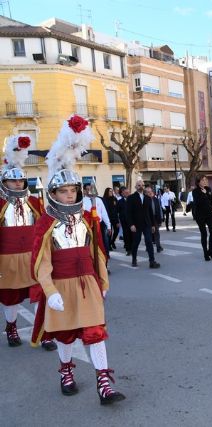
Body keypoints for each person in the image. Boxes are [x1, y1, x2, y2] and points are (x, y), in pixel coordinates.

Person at [31, 114, 125, 404]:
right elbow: (41, 261)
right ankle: (66, 371)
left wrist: (104, 281)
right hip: (60, 285)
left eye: (73, 190)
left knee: (96, 332)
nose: (70, 195)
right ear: (54, 192)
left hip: (87, 282)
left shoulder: (88, 218)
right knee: (66, 334)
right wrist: (50, 291)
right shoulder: (45, 222)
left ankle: (104, 383)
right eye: (64, 191)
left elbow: (97, 251)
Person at [0, 134, 56, 351]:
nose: (18, 183)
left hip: (33, 258)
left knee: (41, 295)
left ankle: (44, 333)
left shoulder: (34, 201)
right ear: (4, 182)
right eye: (13, 180)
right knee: (11, 298)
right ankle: (11, 327)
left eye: (21, 180)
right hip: (7, 260)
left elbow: (44, 227)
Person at [126, 179, 160, 269]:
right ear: (135, 187)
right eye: (139, 185)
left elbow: (150, 212)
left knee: (149, 242)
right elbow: (128, 213)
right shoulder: (131, 198)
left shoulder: (148, 198)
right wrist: (131, 224)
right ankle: (134, 259)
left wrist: (153, 224)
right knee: (136, 242)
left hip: (147, 224)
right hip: (136, 225)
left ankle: (152, 261)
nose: (141, 187)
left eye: (142, 185)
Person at [82, 183, 111, 259]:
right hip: (89, 226)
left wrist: (108, 226)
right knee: (91, 244)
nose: (89, 191)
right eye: (87, 190)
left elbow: (104, 213)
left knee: (104, 243)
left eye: (90, 189)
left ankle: (105, 261)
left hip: (100, 225)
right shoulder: (82, 201)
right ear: (84, 191)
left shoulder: (99, 200)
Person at [192, 175, 212, 261]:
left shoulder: (208, 189)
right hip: (200, 215)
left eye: (205, 180)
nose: (204, 181)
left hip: (209, 214)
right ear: (198, 182)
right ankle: (205, 253)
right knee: (204, 234)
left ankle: (211, 251)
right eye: (203, 180)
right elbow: (198, 202)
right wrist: (204, 193)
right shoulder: (195, 191)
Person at [146, 186, 163, 253]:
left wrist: (161, 218)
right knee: (148, 234)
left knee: (156, 233)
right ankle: (148, 247)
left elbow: (159, 209)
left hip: (155, 218)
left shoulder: (155, 199)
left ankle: (158, 247)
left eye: (151, 192)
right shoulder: (145, 200)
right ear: (146, 193)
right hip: (147, 219)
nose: (150, 193)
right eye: (148, 192)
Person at [116, 187, 131, 255]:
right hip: (124, 221)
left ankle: (132, 247)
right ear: (122, 194)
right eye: (126, 193)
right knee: (126, 235)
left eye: (128, 193)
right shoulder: (120, 202)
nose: (127, 194)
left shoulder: (132, 200)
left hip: (132, 221)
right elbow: (117, 212)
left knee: (132, 235)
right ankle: (128, 249)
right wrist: (118, 221)